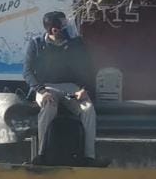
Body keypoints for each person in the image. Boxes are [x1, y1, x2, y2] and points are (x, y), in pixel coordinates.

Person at [23, 10, 104, 166]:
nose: (67, 27)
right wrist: (41, 91)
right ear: (54, 29)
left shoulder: (76, 43)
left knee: (87, 109)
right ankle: (41, 155)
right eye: (63, 25)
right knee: (49, 108)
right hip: (46, 87)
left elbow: (89, 69)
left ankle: (89, 157)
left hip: (70, 89)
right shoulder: (36, 43)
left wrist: (84, 89)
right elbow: (27, 71)